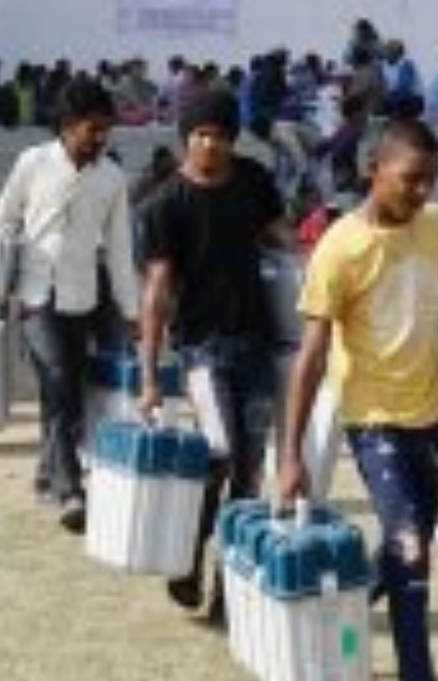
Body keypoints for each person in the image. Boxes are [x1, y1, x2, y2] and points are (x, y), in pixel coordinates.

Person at [280, 120, 438, 681]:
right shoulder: (339, 247)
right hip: (375, 421)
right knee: (411, 556)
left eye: (431, 180)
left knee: (409, 553)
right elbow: (309, 357)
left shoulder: (433, 225)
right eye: (411, 180)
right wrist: (291, 457)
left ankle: (336, 606)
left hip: (433, 416)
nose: (423, 191)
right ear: (372, 171)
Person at [136, 88, 293, 616]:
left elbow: (279, 237)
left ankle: (232, 590)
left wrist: (319, 248)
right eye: (202, 135)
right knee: (219, 454)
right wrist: (150, 376)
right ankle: (185, 556)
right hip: (201, 349)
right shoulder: (164, 204)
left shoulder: (253, 180)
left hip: (257, 344)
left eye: (221, 136)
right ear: (186, 138)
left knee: (249, 476)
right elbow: (156, 293)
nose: (211, 145)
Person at [0, 78, 138, 533]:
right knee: (57, 383)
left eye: (106, 129)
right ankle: (70, 490)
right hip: (35, 296)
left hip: (84, 295)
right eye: (93, 129)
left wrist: (130, 314)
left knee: (72, 392)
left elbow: (122, 253)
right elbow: (0, 223)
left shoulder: (112, 178)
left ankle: (47, 472)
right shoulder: (32, 163)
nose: (101, 138)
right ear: (67, 127)